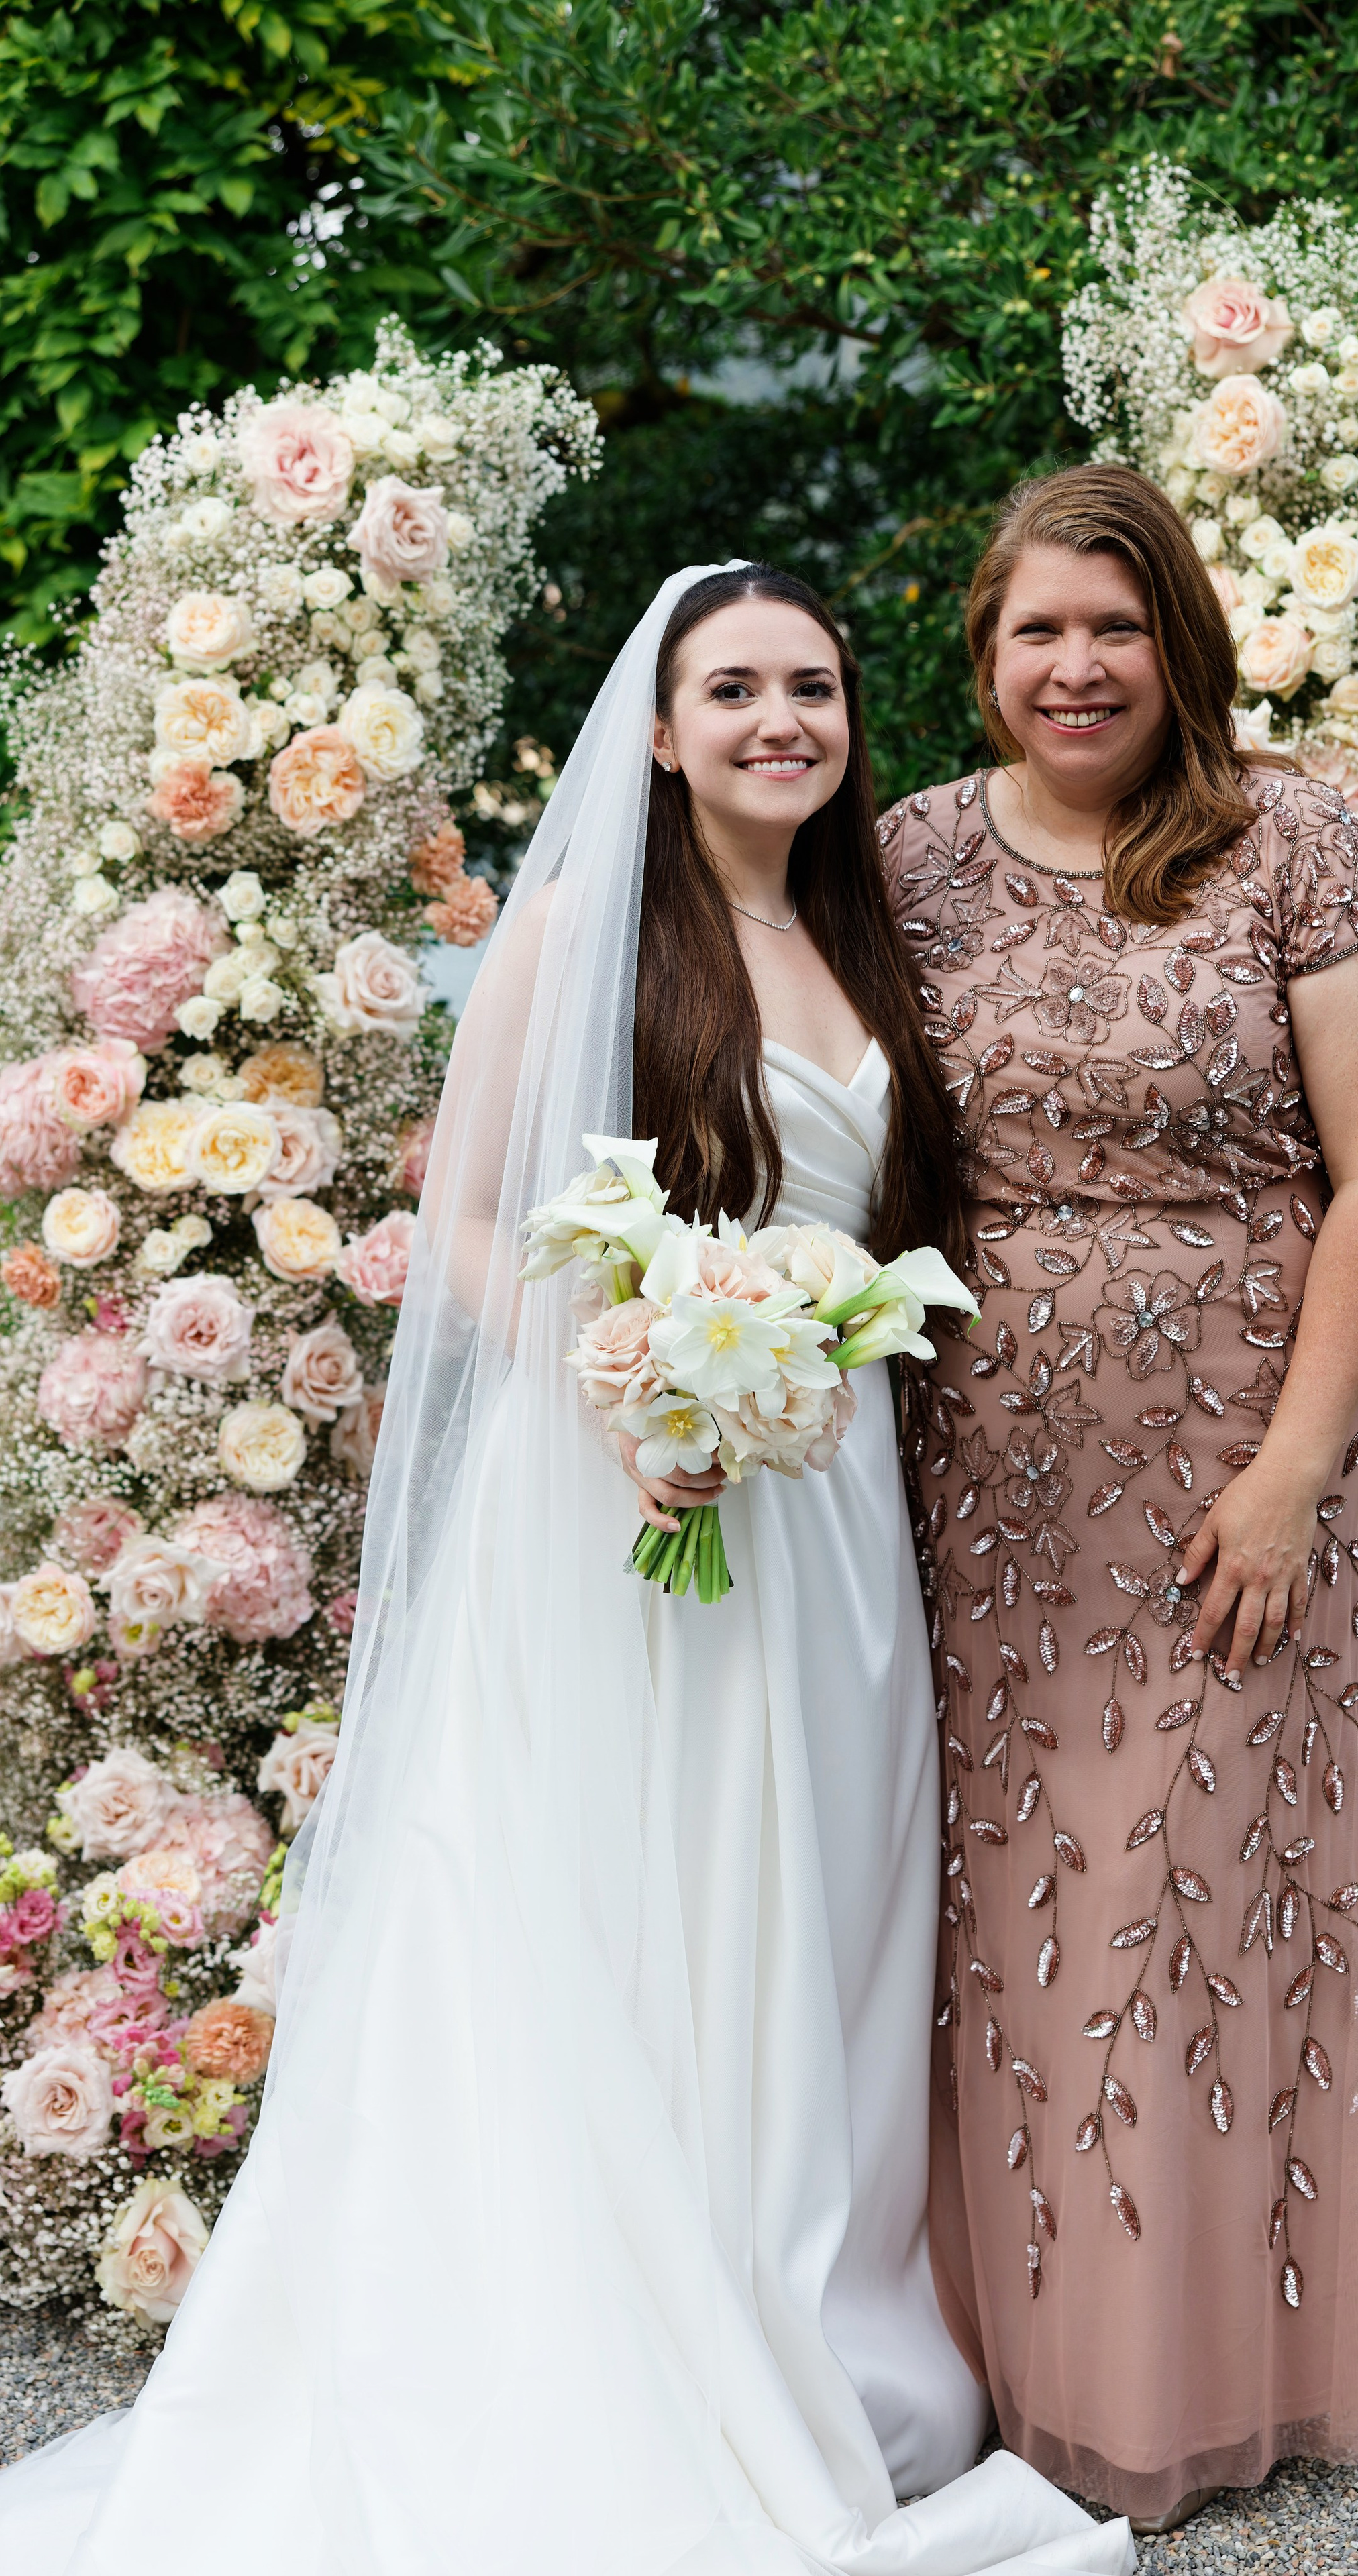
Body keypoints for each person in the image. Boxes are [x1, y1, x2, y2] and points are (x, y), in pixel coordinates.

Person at [0, 565, 1132, 2576]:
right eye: (735, 689)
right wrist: (628, 1387)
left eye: (812, 685)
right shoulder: (583, 927)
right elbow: (462, 1221)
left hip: (833, 1498)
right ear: (665, 731)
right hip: (640, 1489)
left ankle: (819, 2329)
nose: (780, 720)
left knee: (830, 1904)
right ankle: (645, 2352)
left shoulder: (861, 927)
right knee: (660, 1889)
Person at [882, 467, 1358, 2532]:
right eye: (1040, 628)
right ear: (986, 651)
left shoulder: (1295, 842)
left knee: (1197, 1910)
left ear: (1177, 642)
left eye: (1114, 626)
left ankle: (1203, 2377)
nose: (1077, 665)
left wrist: (1295, 1472)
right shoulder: (908, 855)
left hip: (1236, 1477)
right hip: (976, 1486)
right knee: (1017, 1914)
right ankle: (1009, 2365)